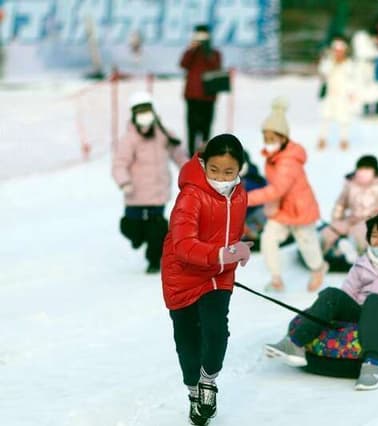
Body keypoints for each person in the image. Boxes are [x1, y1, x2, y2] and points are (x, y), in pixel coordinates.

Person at [265, 211, 378, 391]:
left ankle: (373, 365)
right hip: (366, 313)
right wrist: (334, 308)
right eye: (375, 236)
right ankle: (295, 343)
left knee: (374, 301)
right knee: (332, 294)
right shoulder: (363, 263)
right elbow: (348, 294)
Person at [161, 134, 251, 426]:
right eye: (214, 170)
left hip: (218, 275)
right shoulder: (191, 195)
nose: (220, 177)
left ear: (240, 169)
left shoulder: (239, 193)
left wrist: (238, 249)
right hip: (183, 276)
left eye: (228, 172)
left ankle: (208, 381)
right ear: (203, 163)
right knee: (187, 339)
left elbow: (230, 233)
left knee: (215, 331)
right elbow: (182, 245)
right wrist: (224, 254)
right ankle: (192, 392)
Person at [248, 98, 328, 292]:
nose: (268, 143)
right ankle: (276, 277)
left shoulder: (289, 161)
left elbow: (277, 189)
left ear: (283, 139)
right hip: (281, 208)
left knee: (306, 241)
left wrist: (246, 199)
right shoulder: (273, 156)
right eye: (266, 139)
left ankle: (318, 268)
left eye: (272, 140)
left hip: (300, 208)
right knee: (269, 238)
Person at [112, 91, 188, 273]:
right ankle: (139, 238)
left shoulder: (163, 134)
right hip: (135, 194)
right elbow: (119, 164)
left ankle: (154, 260)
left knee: (158, 229)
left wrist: (190, 173)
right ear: (134, 115)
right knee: (130, 227)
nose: (144, 115)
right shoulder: (129, 139)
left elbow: (179, 155)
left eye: (147, 111)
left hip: (157, 194)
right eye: (140, 112)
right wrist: (124, 182)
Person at [321, 155, 378, 260]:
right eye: (361, 169)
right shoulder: (350, 185)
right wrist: (336, 220)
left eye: (367, 169)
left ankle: (353, 253)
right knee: (331, 231)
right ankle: (321, 250)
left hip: (371, 220)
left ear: (374, 171)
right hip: (352, 219)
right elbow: (340, 204)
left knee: (360, 233)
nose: (363, 172)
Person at [180, 24, 222, 156]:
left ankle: (205, 153)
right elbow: (183, 64)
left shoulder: (214, 53)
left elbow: (215, 66)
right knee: (191, 127)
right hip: (192, 96)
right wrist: (192, 49)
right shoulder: (191, 52)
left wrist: (206, 49)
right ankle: (191, 154)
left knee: (206, 127)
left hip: (208, 96)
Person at [318, 36, 358, 150]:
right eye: (336, 51)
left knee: (344, 119)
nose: (338, 53)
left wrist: (351, 93)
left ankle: (344, 140)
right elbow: (324, 72)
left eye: (340, 51)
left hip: (343, 95)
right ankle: (322, 139)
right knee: (325, 117)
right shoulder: (328, 62)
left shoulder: (349, 64)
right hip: (330, 94)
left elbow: (352, 79)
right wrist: (331, 61)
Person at [351, 29, 378, 117]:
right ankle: (367, 109)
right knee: (366, 92)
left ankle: (377, 109)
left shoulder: (374, 46)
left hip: (374, 73)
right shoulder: (364, 43)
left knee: (376, 92)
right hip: (365, 72)